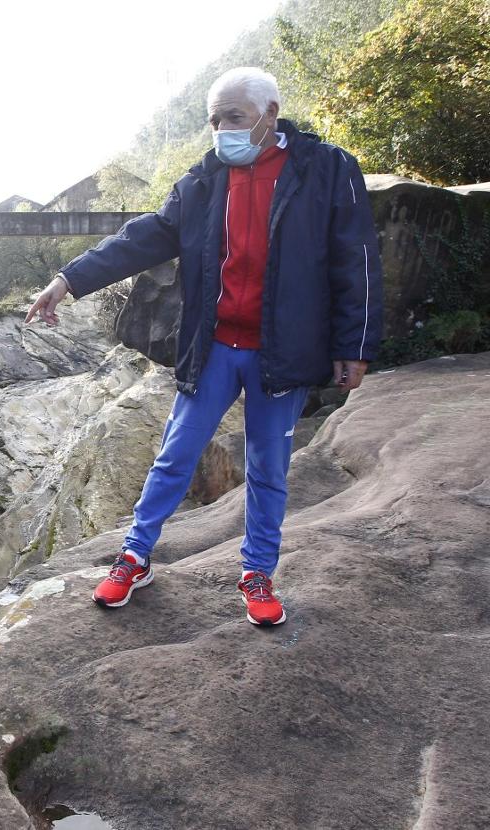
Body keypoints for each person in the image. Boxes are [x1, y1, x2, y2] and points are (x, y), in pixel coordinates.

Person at [24, 67, 383, 625]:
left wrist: (353, 346)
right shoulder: (206, 178)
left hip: (281, 351)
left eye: (233, 118)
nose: (221, 130)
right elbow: (141, 237)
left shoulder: (327, 170)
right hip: (214, 345)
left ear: (270, 113)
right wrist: (68, 279)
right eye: (214, 120)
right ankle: (135, 558)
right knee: (175, 455)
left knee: (267, 468)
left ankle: (257, 572)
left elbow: (355, 259)